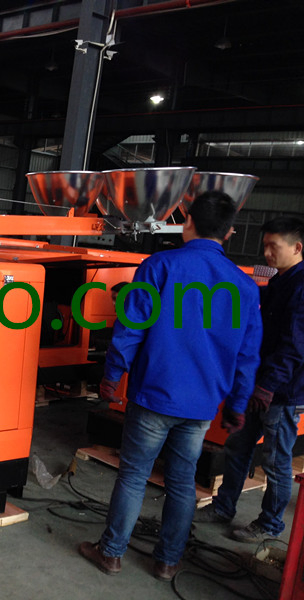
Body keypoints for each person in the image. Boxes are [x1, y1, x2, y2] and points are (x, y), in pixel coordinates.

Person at [79, 191, 262, 581]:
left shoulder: (159, 266)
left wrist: (111, 376)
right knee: (182, 482)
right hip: (201, 405)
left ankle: (111, 553)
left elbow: (130, 328)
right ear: (229, 233)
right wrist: (237, 404)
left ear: (188, 222)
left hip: (154, 395)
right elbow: (247, 355)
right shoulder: (244, 287)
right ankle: (167, 561)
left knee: (133, 475)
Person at [195, 216, 304, 543]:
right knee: (238, 448)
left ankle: (270, 524)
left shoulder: (301, 288)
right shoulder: (279, 283)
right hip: (258, 385)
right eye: (265, 246)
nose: (267, 253)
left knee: (275, 461)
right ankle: (223, 506)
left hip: (281, 392)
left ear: (297, 247)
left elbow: (294, 346)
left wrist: (268, 386)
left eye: (274, 246)